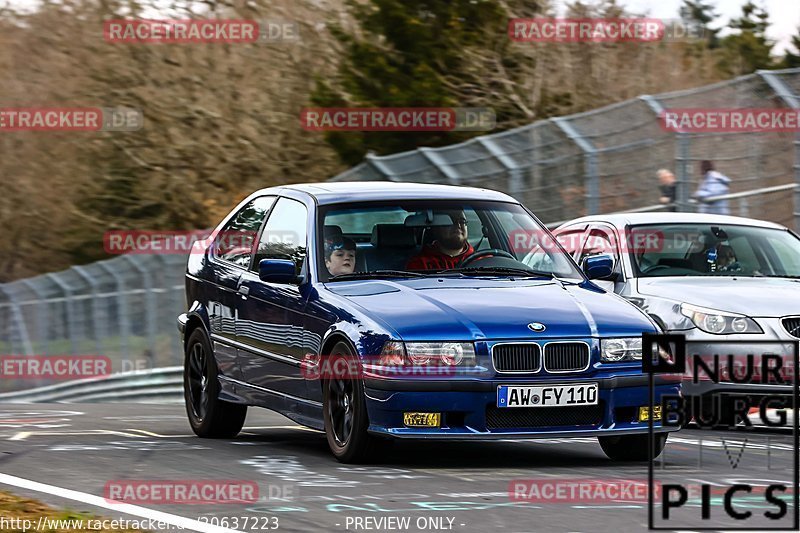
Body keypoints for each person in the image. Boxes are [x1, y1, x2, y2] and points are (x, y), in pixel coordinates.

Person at [406, 210, 474, 271]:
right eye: (450, 221)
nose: (458, 225)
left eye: (462, 221)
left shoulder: (479, 259)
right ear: (436, 228)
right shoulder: (419, 263)